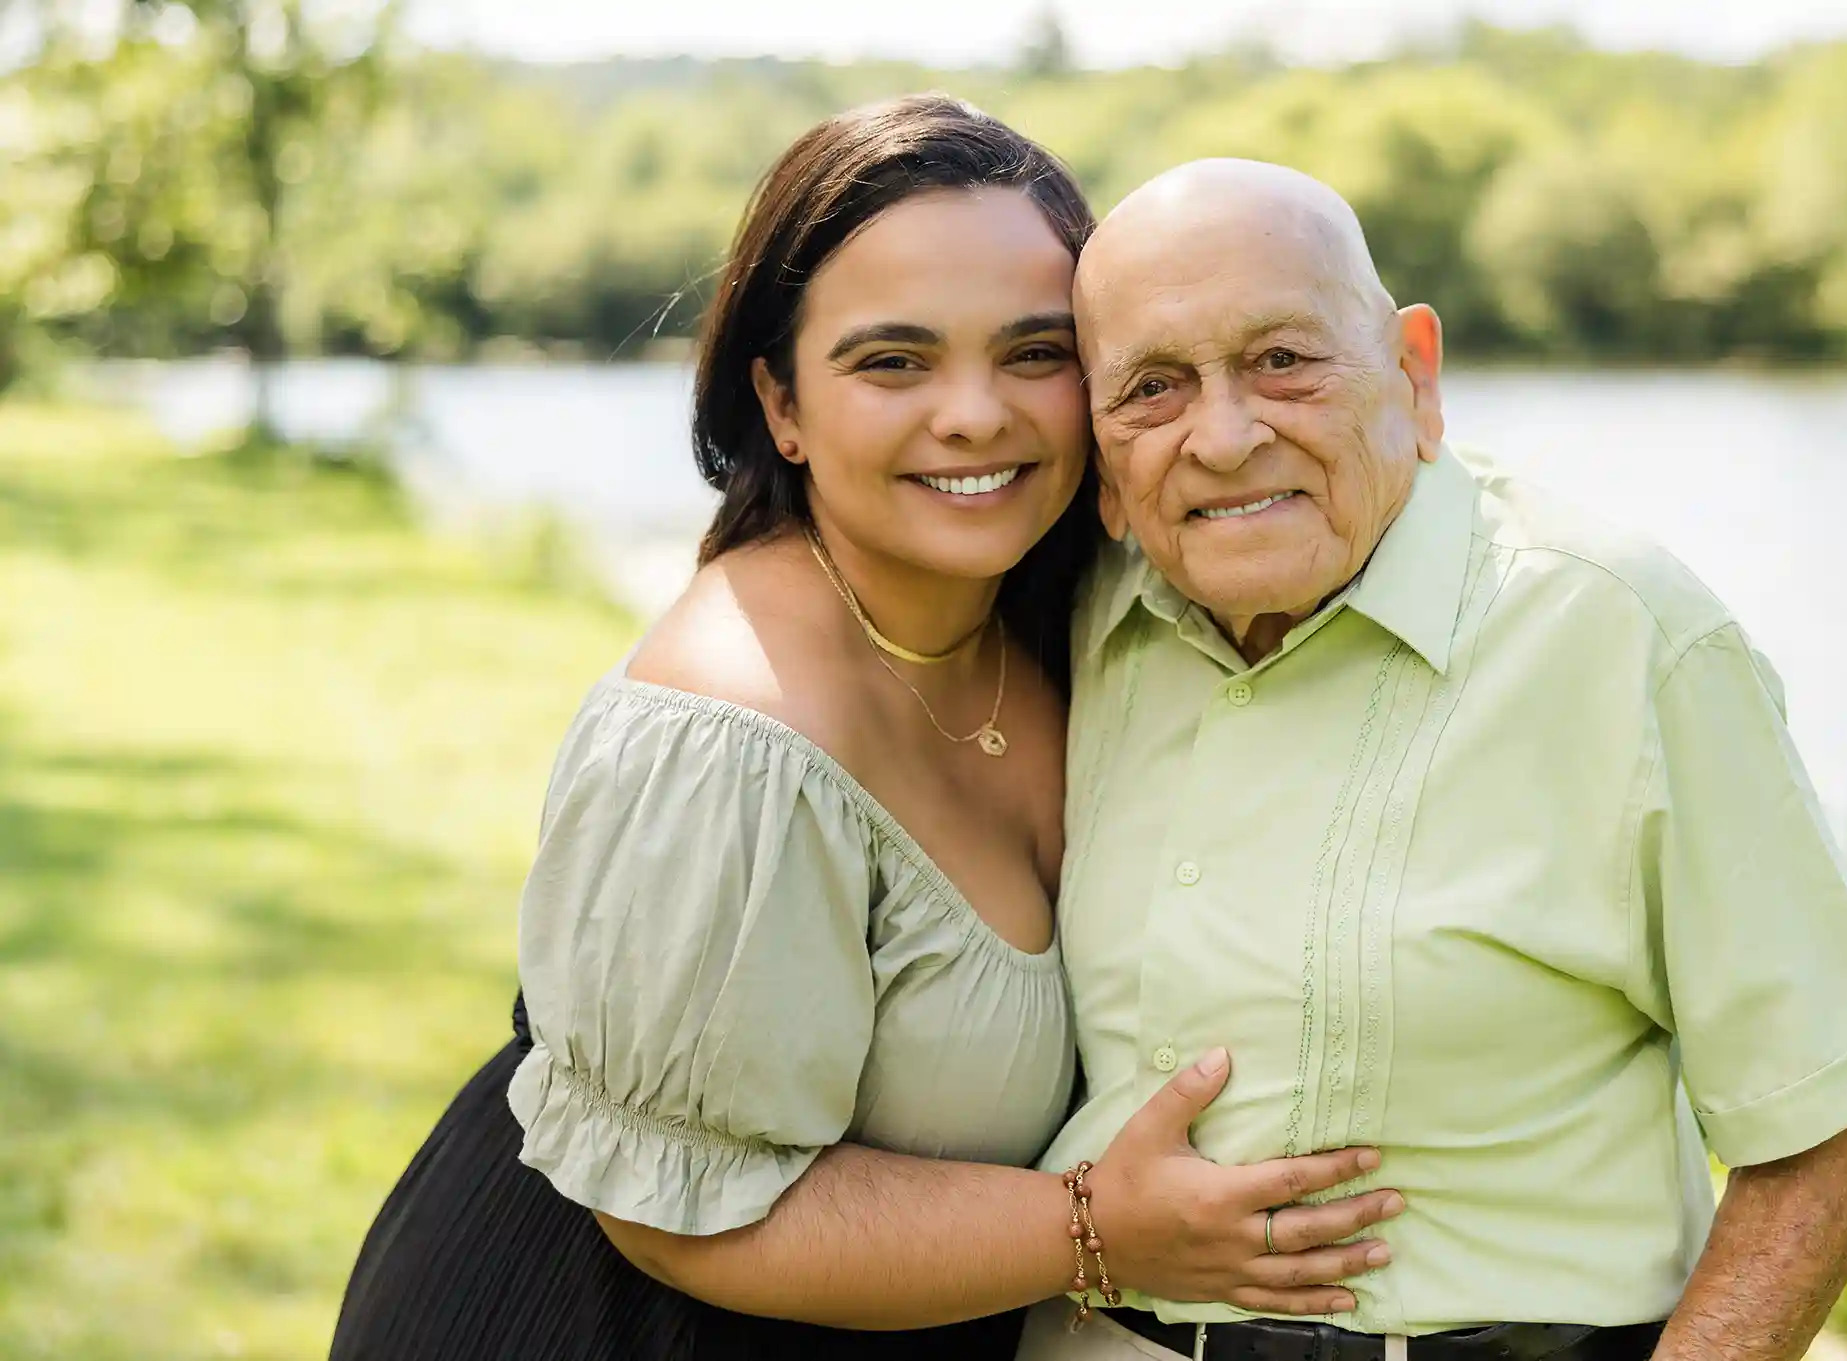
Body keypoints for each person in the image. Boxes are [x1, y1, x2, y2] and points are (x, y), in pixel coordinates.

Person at [330, 102, 1402, 1361]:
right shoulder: (733, 731)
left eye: (1034, 353)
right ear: (779, 403)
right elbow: (681, 1221)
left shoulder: (1086, 621)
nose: (972, 415)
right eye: (892, 361)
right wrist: (1092, 1231)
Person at [1020, 159, 1847, 1361]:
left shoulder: (1615, 631)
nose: (1226, 436)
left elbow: (1840, 1115)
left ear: (1414, 372)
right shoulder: (1073, 619)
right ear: (1099, 445)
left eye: (1283, 360)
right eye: (1151, 387)